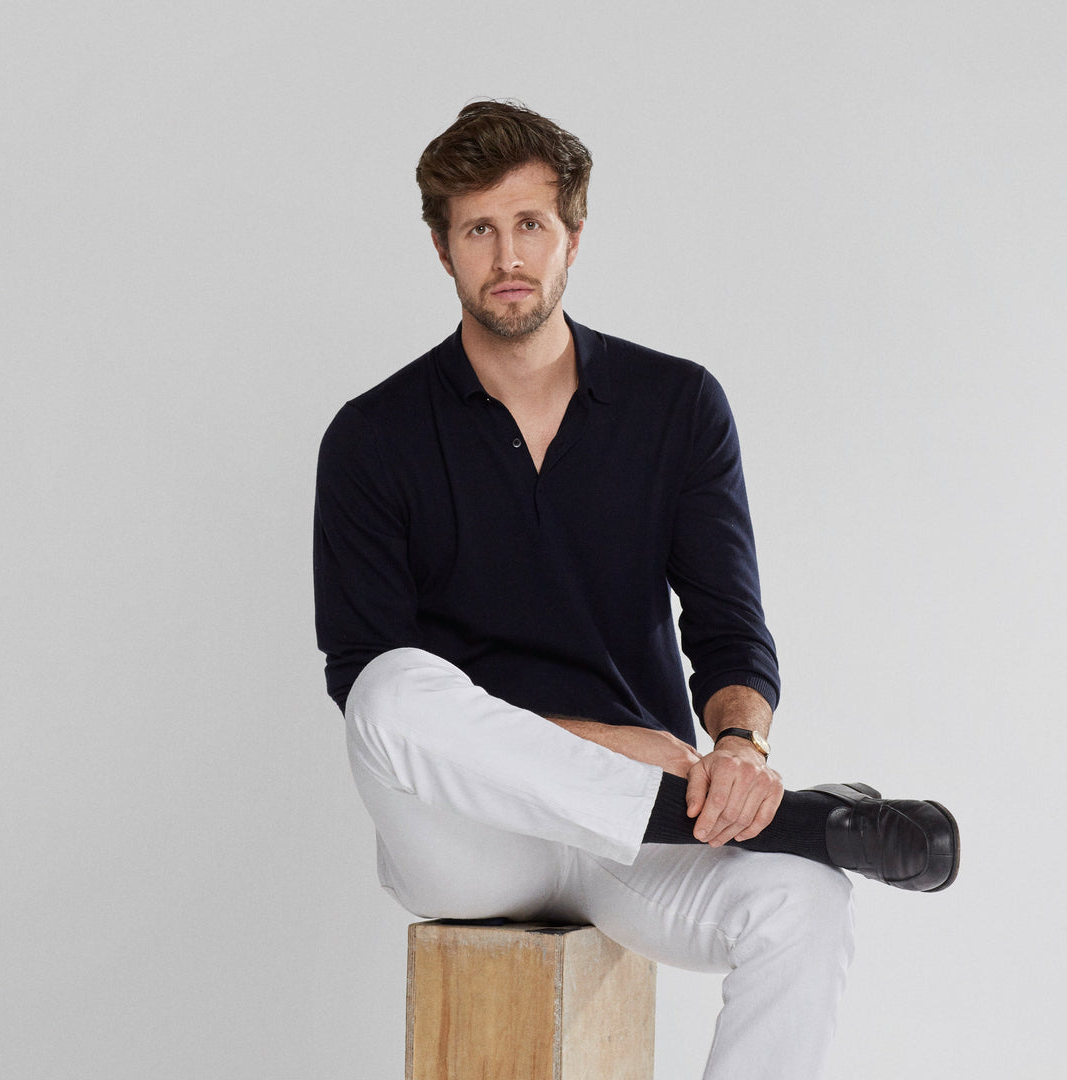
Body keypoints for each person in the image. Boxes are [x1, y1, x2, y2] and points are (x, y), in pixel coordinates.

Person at [313, 100, 959, 1079]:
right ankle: (796, 820)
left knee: (810, 901)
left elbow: (731, 631)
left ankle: (756, 817)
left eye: (530, 224)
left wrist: (736, 750)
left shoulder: (677, 404)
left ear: (572, 235)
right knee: (389, 689)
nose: (508, 256)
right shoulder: (373, 436)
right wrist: (624, 750)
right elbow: (362, 682)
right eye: (478, 230)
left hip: (644, 832)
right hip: (473, 840)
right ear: (443, 249)